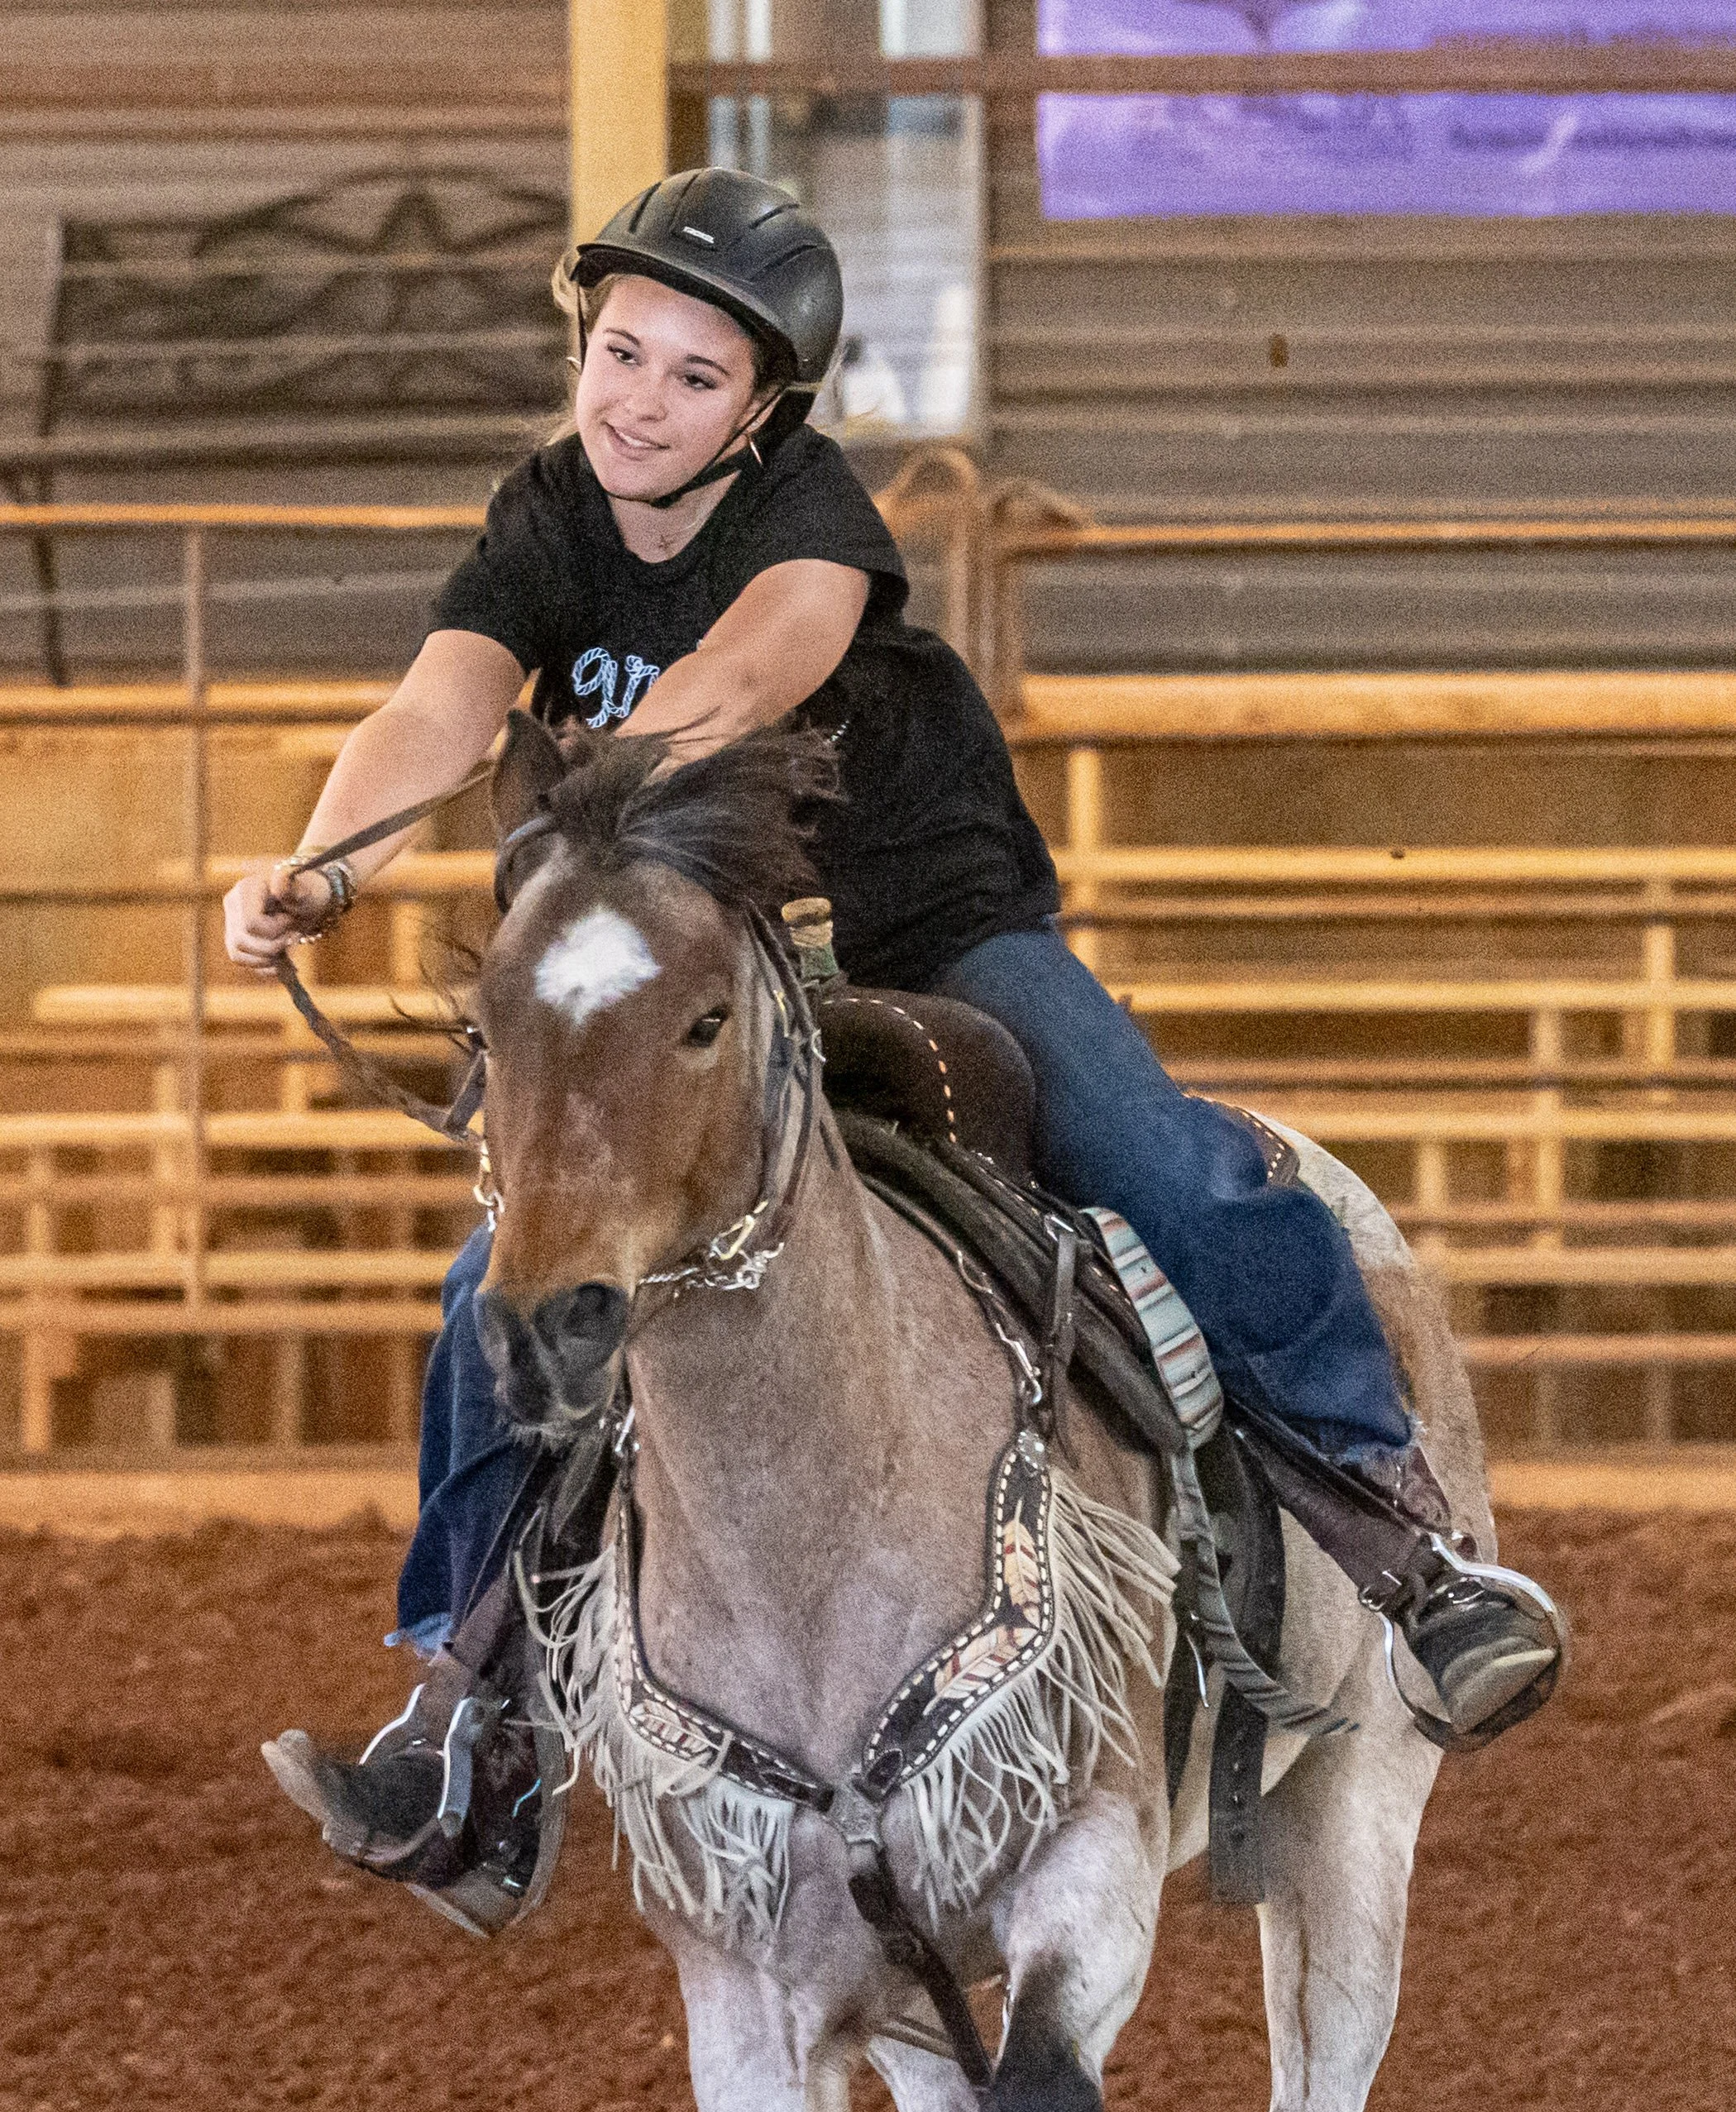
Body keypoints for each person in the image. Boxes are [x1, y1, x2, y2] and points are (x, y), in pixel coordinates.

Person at [226, 168, 1562, 1933]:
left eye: (692, 376)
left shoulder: (813, 517)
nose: (637, 398)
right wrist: (326, 860)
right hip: (715, 978)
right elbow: (439, 704)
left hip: (933, 938)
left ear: (761, 409)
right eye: (618, 352)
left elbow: (736, 676)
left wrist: (596, 800)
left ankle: (1405, 1551)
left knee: (1164, 1161)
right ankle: (468, 1716)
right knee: (509, 1281)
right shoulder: (544, 515)